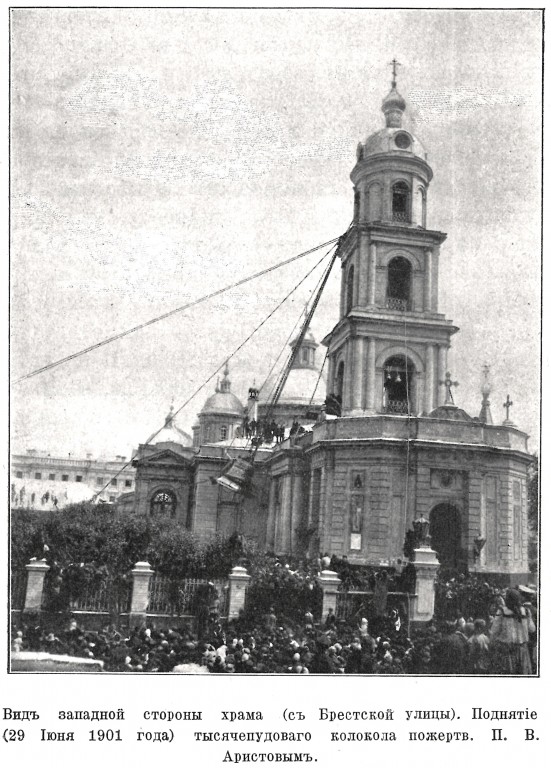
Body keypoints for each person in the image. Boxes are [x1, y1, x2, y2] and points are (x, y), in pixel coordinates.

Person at [489, 588, 534, 675]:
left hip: (507, 650)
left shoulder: (502, 611)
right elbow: (532, 629)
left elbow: (494, 630)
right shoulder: (526, 611)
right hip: (523, 649)